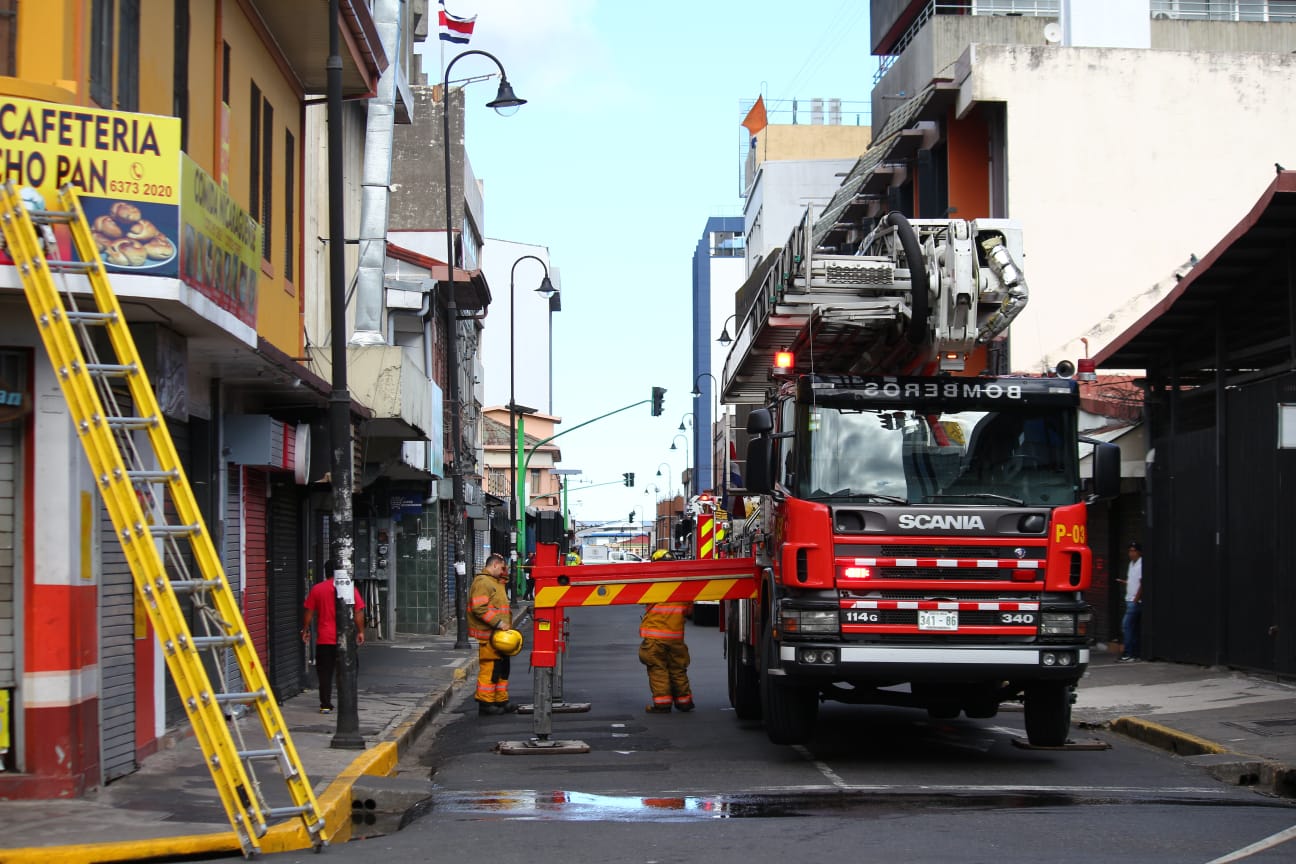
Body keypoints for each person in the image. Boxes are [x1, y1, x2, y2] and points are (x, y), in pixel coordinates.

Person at [302, 559, 366, 714]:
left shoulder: (318, 589)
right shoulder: (349, 588)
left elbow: (309, 612)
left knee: (324, 673)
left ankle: (325, 704)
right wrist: (361, 631)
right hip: (345, 638)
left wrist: (305, 630)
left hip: (324, 639)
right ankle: (348, 703)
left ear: (326, 572)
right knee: (348, 671)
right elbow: (358, 612)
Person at [639, 550, 694, 713]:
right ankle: (684, 701)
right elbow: (689, 611)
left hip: (654, 638)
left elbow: (640, 598)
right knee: (678, 669)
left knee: (658, 669)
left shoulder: (652, 585)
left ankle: (662, 703)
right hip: (676, 639)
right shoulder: (683, 587)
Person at [468, 552, 516, 715]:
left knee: (503, 668)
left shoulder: (496, 582)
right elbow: (479, 609)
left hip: (499, 635)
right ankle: (486, 703)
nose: (504, 571)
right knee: (490, 668)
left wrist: (504, 571)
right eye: (502, 567)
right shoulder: (483, 582)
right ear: (494, 565)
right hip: (489, 634)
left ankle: (501, 700)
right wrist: (499, 623)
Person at [1117, 541, 1143, 662]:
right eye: (1130, 550)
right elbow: (1133, 581)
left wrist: (1136, 599)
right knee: (1133, 628)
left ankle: (1128, 653)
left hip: (1134, 601)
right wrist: (1125, 582)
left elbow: (1142, 583)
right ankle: (1135, 653)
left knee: (1126, 626)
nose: (1131, 553)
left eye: (1133, 550)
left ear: (1139, 552)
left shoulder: (1141, 564)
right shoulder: (1131, 564)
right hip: (1129, 599)